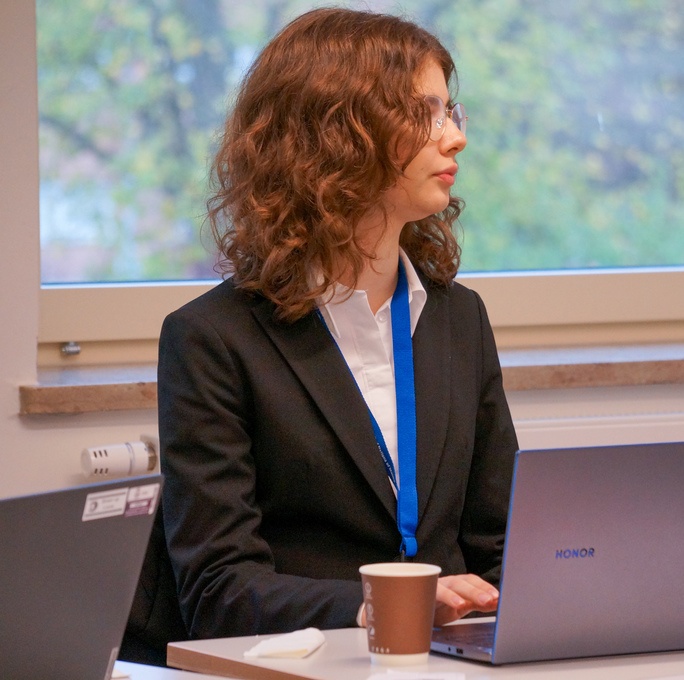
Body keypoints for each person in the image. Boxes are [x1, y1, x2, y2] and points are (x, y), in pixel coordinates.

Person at [130, 7, 518, 652]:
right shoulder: (211, 339)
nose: (455, 138)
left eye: (451, 111)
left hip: (450, 662)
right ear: (339, 134)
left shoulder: (460, 318)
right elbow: (218, 593)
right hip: (304, 662)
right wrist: (380, 606)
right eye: (425, 112)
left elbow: (501, 546)